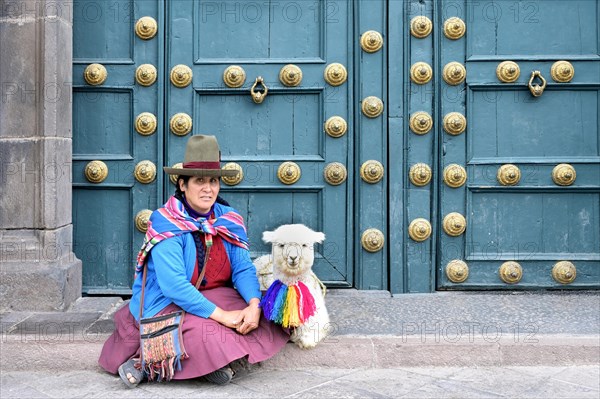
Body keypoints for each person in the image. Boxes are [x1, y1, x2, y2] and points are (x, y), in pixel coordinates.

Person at [98, 135, 289, 387]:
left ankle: (211, 364)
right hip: (168, 302)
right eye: (199, 181)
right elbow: (174, 285)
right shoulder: (165, 221)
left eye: (213, 181)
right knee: (205, 332)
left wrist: (253, 305)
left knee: (268, 311)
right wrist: (222, 315)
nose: (208, 189)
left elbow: (242, 268)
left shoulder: (228, 218)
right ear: (183, 184)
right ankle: (146, 362)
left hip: (212, 294)